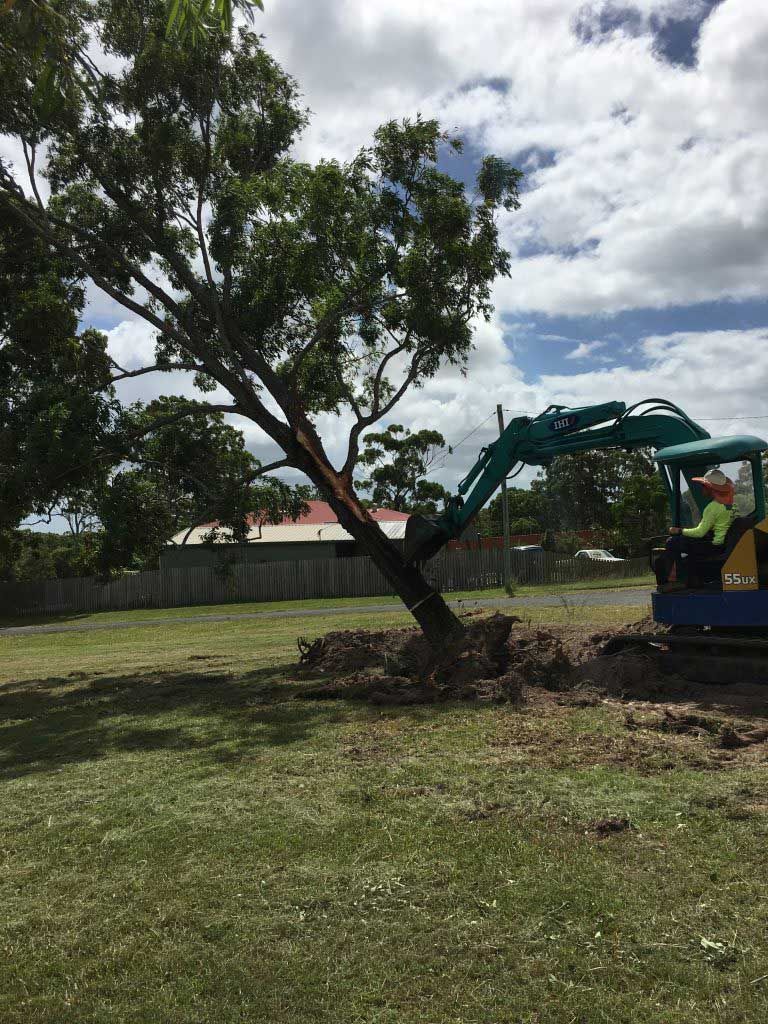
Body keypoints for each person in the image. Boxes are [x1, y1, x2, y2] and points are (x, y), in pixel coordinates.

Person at [655, 468, 736, 591]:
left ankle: (677, 580)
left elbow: (700, 532)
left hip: (715, 546)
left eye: (704, 486)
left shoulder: (712, 507)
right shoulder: (729, 506)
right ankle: (693, 579)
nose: (702, 488)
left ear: (710, 488)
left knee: (673, 542)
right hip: (722, 544)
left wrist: (679, 531)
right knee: (688, 545)